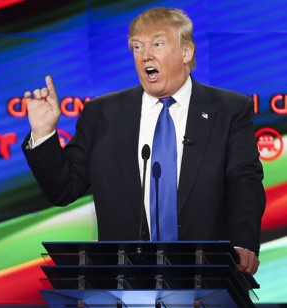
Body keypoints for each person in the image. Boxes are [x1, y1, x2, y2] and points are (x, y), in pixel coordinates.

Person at [22, 7, 264, 276]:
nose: (145, 55)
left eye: (157, 44)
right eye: (137, 47)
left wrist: (244, 242)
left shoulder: (229, 109)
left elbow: (245, 181)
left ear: (186, 52)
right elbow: (64, 189)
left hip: (208, 277)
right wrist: (43, 133)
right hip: (123, 284)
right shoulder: (102, 114)